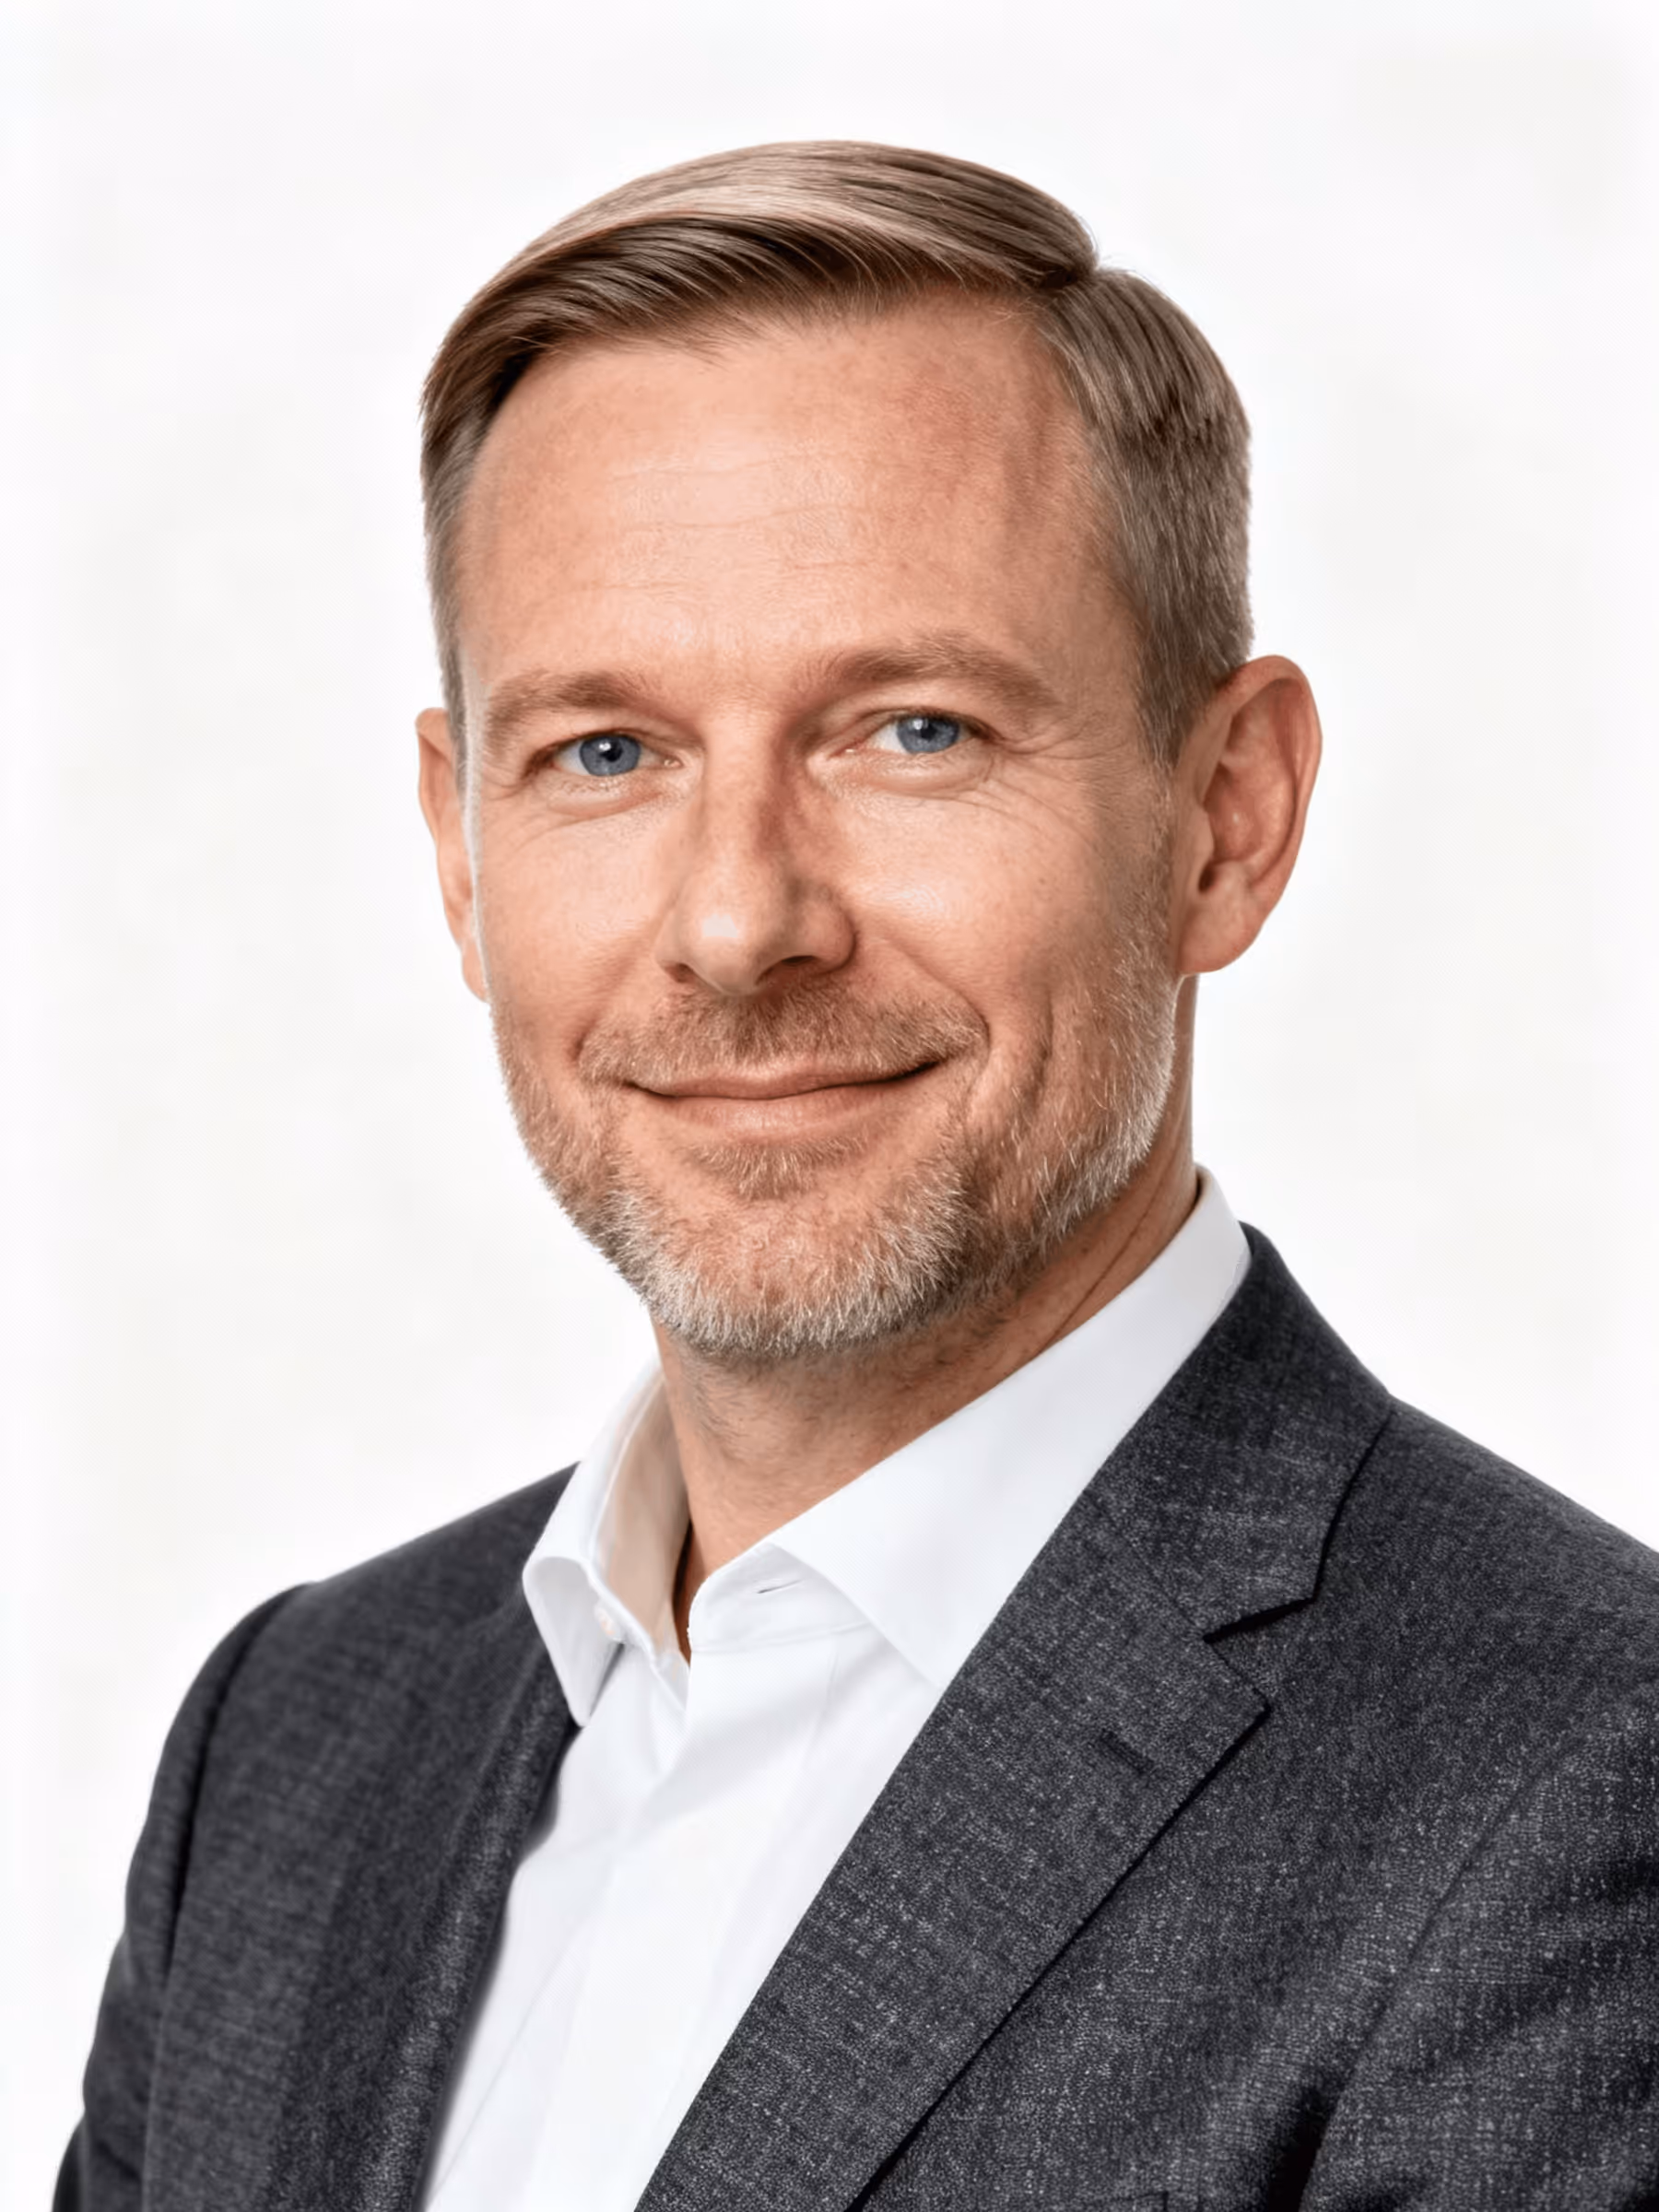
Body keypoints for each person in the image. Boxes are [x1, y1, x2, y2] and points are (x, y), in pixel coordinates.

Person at [59, 141, 1659, 2212]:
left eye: (910, 732)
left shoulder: (1572, 1792)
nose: (740, 925)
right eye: (606, 755)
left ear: (1227, 817)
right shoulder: (289, 1749)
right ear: (460, 851)